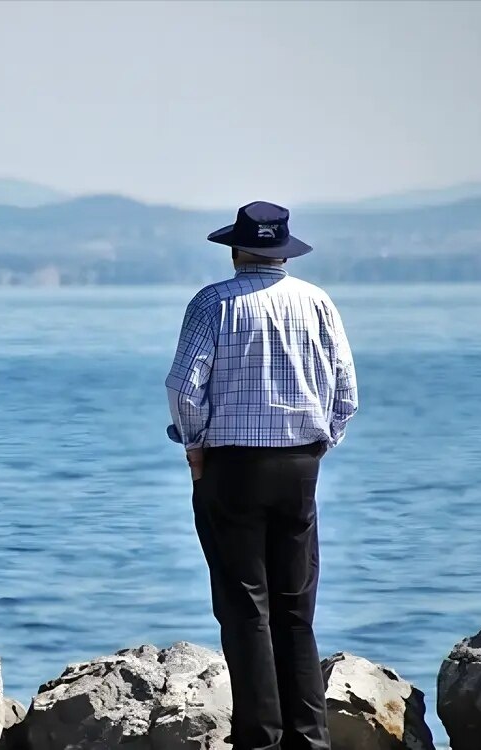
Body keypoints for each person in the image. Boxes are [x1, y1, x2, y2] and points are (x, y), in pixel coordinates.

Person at [165, 201, 358, 750]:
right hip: (300, 466)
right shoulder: (317, 302)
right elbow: (347, 392)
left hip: (231, 467)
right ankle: (309, 740)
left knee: (245, 607)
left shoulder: (212, 303)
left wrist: (196, 447)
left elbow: (182, 389)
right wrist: (322, 443)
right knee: (296, 610)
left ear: (236, 248)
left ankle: (260, 741)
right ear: (283, 251)